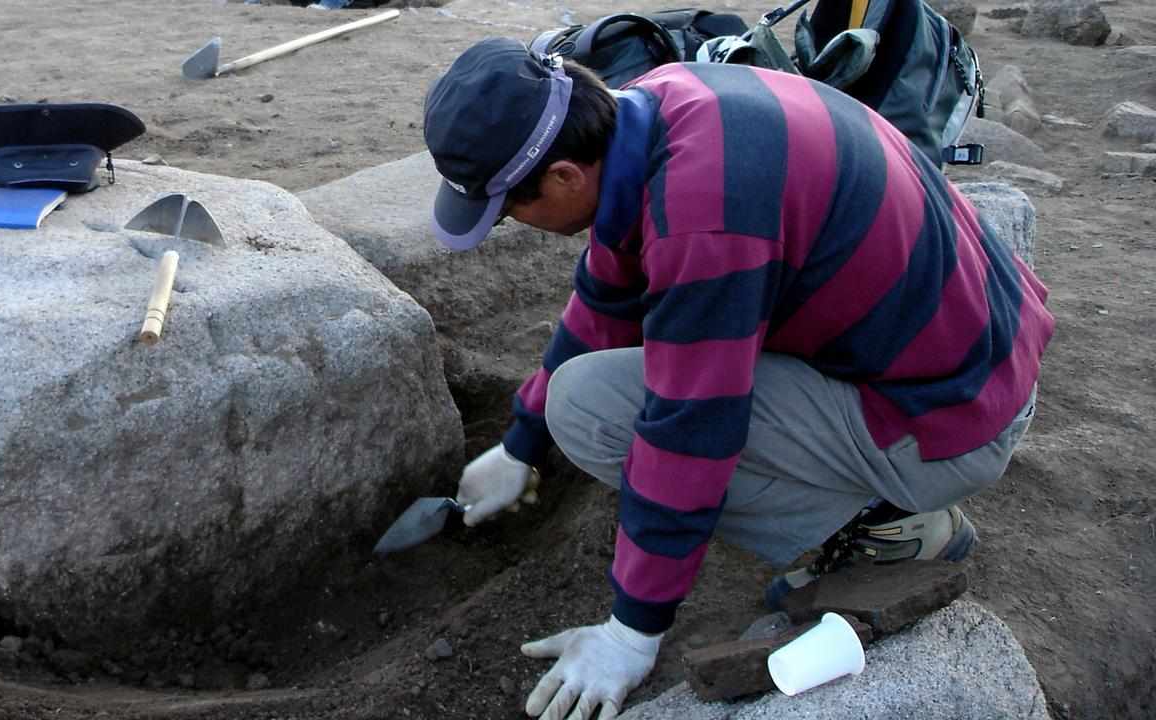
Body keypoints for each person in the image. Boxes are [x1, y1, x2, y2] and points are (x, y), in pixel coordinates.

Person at [422, 37, 1054, 720]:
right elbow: (606, 301)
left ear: (567, 179)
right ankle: (881, 496)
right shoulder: (659, 102)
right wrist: (520, 442)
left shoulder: (707, 216)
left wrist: (630, 635)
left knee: (593, 410)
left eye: (509, 208)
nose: (512, 223)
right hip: (971, 349)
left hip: (952, 416)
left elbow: (691, 429)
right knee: (578, 395)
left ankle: (891, 526)